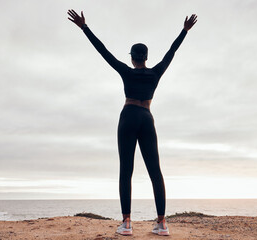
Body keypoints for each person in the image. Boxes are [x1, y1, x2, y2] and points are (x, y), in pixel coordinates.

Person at [67, 9, 197, 236]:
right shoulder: (156, 72)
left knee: (126, 171)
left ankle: (126, 223)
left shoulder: (126, 71)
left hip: (128, 117)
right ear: (146, 58)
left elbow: (103, 52)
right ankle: (162, 223)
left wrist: (84, 28)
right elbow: (171, 52)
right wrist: (184, 31)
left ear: (132, 58)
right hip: (147, 118)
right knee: (155, 171)